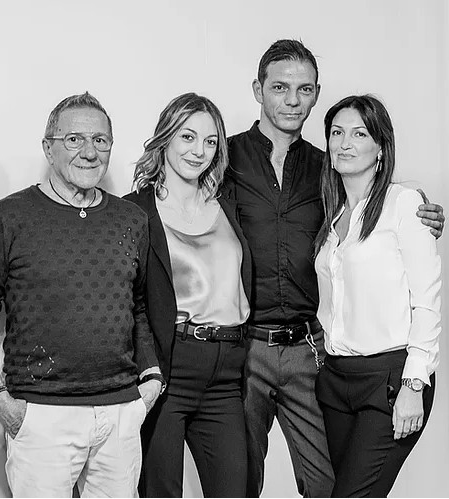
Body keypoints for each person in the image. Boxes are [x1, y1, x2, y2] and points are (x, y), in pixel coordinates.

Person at [224, 39, 445, 497]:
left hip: (312, 352)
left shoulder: (330, 169)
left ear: (316, 94)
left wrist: (423, 212)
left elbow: (381, 206)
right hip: (248, 348)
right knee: (238, 482)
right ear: (258, 90)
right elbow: (180, 203)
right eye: (280, 87)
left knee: (328, 485)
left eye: (304, 89)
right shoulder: (224, 160)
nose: (292, 100)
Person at [0, 92, 162, 498]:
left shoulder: (131, 219)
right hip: (41, 417)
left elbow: (137, 307)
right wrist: (0, 400)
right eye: (74, 139)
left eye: (100, 140)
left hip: (120, 414)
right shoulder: (7, 217)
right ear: (48, 148)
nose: (89, 152)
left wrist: (151, 378)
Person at [124, 92, 251, 498]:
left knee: (235, 490)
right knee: (161, 491)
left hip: (227, 373)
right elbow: (127, 302)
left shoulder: (229, 204)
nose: (199, 151)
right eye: (188, 137)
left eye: (210, 141)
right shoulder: (134, 212)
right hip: (169, 368)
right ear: (166, 138)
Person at [314, 94, 441, 497]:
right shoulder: (333, 218)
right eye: (337, 133)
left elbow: (426, 301)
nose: (344, 143)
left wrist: (414, 384)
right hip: (336, 381)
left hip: (389, 380)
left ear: (381, 148)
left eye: (359, 134)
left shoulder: (404, 204)